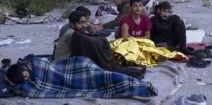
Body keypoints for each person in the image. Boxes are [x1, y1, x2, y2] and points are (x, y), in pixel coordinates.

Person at [5, 56, 157, 99]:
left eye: (26, 75)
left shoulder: (34, 63)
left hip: (78, 67)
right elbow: (29, 88)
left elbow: (52, 67)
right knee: (103, 84)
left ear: (24, 68)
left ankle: (138, 83)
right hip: (71, 80)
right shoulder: (26, 81)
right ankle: (141, 88)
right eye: (25, 79)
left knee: (105, 75)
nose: (27, 78)